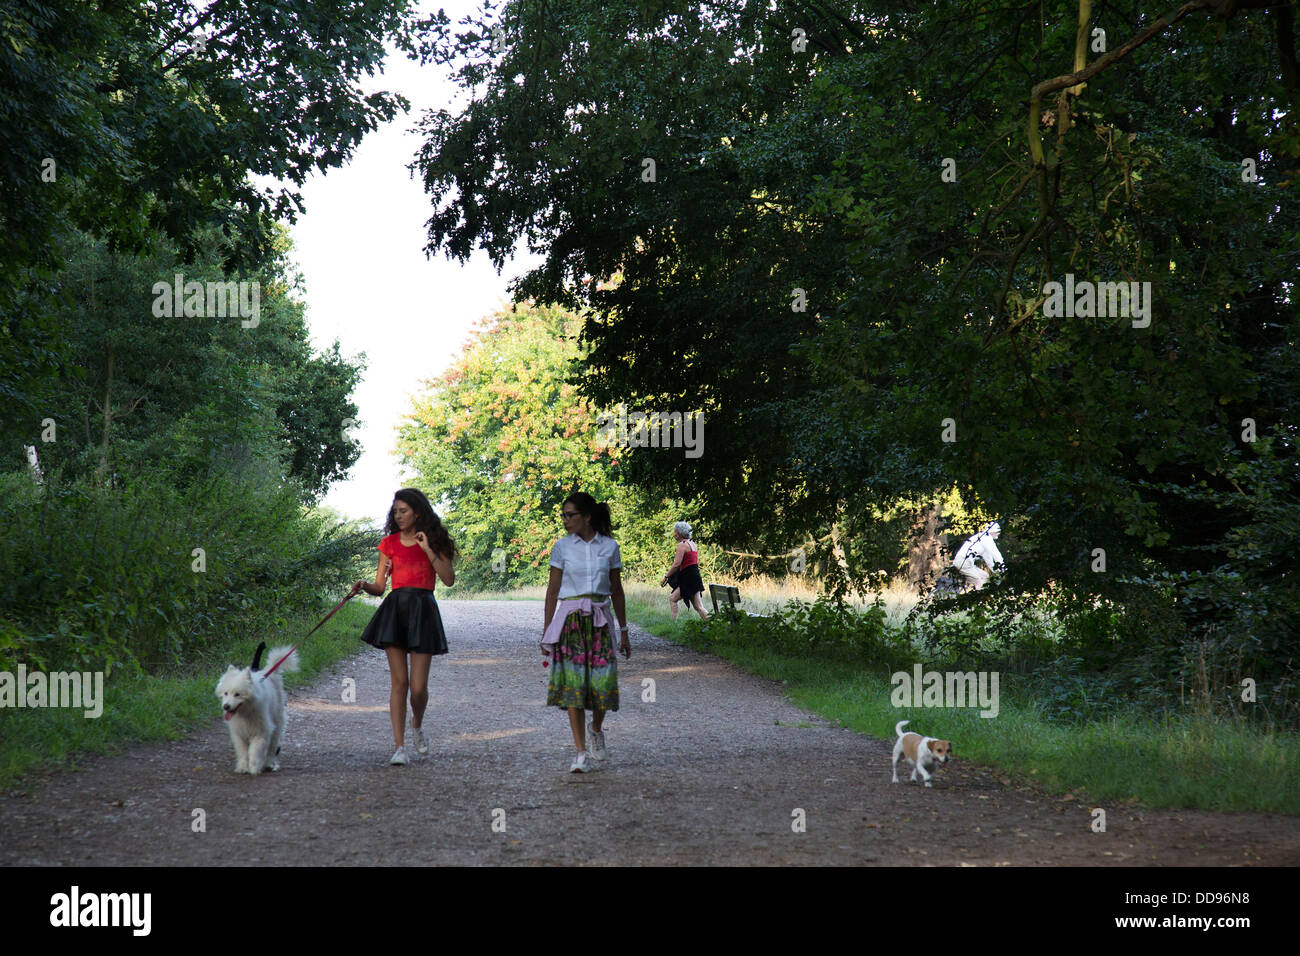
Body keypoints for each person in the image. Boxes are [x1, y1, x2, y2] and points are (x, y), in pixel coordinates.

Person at [351, 488, 455, 766]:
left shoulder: (435, 541)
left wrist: (427, 549)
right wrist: (364, 587)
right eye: (395, 511)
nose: (397, 516)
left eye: (403, 511)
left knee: (419, 688)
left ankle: (417, 724)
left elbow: (448, 579)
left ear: (418, 512)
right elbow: (380, 586)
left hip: (423, 610)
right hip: (396, 610)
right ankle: (399, 747)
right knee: (400, 682)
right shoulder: (389, 544)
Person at [540, 492, 631, 773]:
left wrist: (624, 630)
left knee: (602, 685)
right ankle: (580, 752)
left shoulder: (610, 547)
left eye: (571, 515)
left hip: (601, 620)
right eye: (564, 516)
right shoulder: (562, 548)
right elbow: (553, 591)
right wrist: (546, 631)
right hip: (571, 623)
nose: (566, 520)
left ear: (587, 517)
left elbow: (616, 590)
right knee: (574, 689)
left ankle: (596, 728)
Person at [660, 521, 708, 622]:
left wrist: (666, 577)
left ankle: (673, 625)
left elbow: (677, 564)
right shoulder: (693, 544)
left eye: (675, 532)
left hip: (688, 579)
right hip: (695, 577)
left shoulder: (682, 545)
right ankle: (713, 625)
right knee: (698, 607)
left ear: (680, 533)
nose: (674, 535)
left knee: (673, 599)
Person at [951, 521, 1005, 591]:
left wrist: (998, 572)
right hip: (963, 562)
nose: (998, 533)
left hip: (967, 562)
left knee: (984, 576)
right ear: (993, 531)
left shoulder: (983, 539)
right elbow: (996, 554)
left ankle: (979, 594)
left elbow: (990, 561)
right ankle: (979, 599)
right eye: (997, 531)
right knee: (979, 581)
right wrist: (1004, 569)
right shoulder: (986, 538)